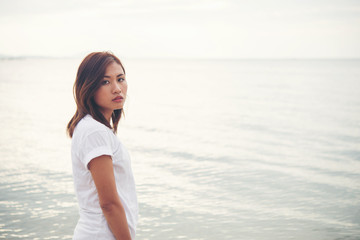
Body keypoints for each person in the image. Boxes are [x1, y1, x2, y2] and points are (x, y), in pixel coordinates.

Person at [67, 52, 138, 240]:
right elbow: (109, 203)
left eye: (120, 79)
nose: (117, 88)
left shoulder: (92, 128)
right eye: (105, 82)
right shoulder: (94, 132)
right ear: (89, 87)